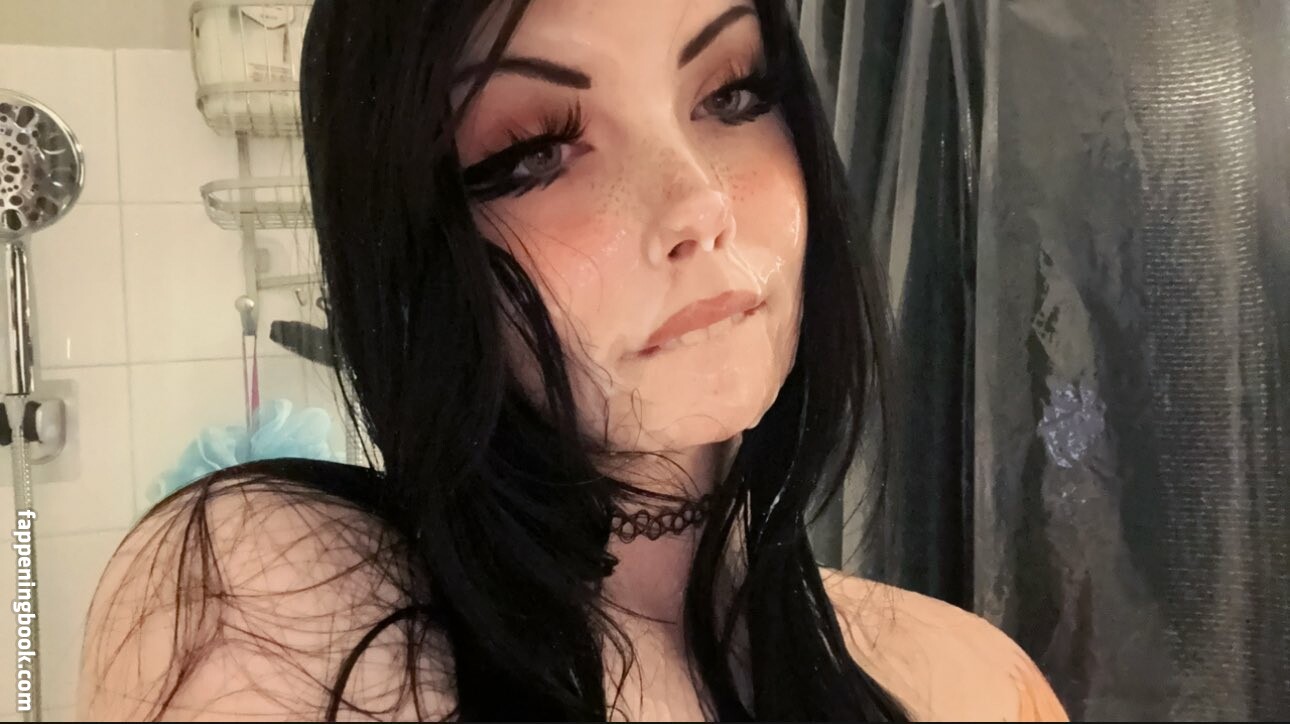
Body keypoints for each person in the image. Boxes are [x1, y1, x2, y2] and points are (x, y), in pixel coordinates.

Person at [77, 0, 1068, 720]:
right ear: (415, 249)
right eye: (534, 152)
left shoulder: (970, 679)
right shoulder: (270, 605)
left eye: (732, 93)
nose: (699, 203)